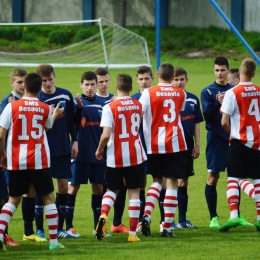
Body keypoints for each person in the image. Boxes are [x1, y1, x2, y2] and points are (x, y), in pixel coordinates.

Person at [0, 72, 65, 251]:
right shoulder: (44, 108)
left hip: (16, 160)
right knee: (49, 199)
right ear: (39, 89)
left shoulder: (11, 106)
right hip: (39, 161)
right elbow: (47, 127)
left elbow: (1, 135)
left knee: (13, 200)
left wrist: (3, 155)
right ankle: (53, 242)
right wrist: (55, 114)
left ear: (25, 87)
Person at [201, 56, 253, 228]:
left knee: (236, 176)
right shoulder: (208, 91)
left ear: (228, 70)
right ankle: (213, 217)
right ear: (214, 71)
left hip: (234, 140)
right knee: (213, 176)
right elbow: (207, 117)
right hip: (216, 139)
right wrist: (217, 103)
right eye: (217, 70)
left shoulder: (234, 90)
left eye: (223, 70)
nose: (220, 73)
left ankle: (236, 215)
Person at [95, 73, 146, 242]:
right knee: (134, 194)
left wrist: (99, 149)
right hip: (135, 154)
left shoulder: (109, 107)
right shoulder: (138, 105)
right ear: (131, 88)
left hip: (115, 155)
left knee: (112, 190)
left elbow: (106, 135)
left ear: (116, 87)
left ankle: (103, 216)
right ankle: (132, 234)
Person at [139, 62, 187, 237]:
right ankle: (166, 226)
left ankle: (146, 215)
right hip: (174, 142)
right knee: (172, 183)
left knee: (157, 180)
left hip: (153, 143)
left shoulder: (147, 93)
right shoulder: (181, 93)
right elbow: (179, 111)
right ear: (173, 77)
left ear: (157, 74)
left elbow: (140, 113)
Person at [34, 64, 78, 238]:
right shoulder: (36, 98)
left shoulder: (65, 94)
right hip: (42, 150)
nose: (47, 83)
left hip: (62, 149)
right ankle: (39, 230)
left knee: (62, 187)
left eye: (50, 79)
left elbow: (72, 122)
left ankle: (59, 229)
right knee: (41, 189)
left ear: (55, 77)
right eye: (44, 81)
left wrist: (74, 141)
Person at [219, 58, 260, 231]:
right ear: (253, 74)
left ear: (239, 73)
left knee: (234, 177)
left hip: (239, 141)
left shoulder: (232, 93)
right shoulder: (259, 91)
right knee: (257, 178)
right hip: (258, 142)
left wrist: (232, 134)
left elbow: (224, 122)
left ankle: (234, 216)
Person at [66, 71, 109, 237]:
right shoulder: (76, 104)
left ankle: (97, 227)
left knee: (98, 188)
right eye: (87, 84)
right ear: (81, 85)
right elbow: (70, 125)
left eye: (93, 84)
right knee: (73, 188)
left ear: (97, 85)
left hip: (97, 153)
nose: (90, 88)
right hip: (78, 153)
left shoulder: (102, 104)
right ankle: (69, 227)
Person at [94, 67, 128, 234]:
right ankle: (101, 223)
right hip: (103, 152)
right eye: (100, 82)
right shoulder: (93, 100)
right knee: (102, 187)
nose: (104, 84)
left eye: (106, 80)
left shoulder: (114, 101)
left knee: (118, 187)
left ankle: (116, 223)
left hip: (113, 152)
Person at [171, 67, 204, 229]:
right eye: (176, 79)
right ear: (171, 80)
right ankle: (168, 219)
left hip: (187, 144)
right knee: (168, 181)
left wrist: (197, 144)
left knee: (183, 181)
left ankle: (182, 220)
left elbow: (197, 122)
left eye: (181, 79)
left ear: (186, 80)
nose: (179, 82)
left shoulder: (192, 99)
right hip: (170, 144)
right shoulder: (168, 100)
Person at [0, 68, 27, 246]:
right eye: (19, 82)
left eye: (25, 82)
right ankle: (5, 235)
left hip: (27, 156)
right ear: (12, 83)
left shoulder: (30, 100)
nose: (23, 85)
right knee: (8, 197)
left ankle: (30, 231)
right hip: (11, 158)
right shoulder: (6, 104)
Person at [131, 66, 154, 231]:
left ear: (152, 78)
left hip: (158, 145)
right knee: (141, 184)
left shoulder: (157, 95)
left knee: (163, 182)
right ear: (137, 80)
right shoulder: (131, 99)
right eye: (141, 79)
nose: (144, 82)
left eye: (147, 78)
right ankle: (141, 221)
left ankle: (166, 222)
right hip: (139, 147)